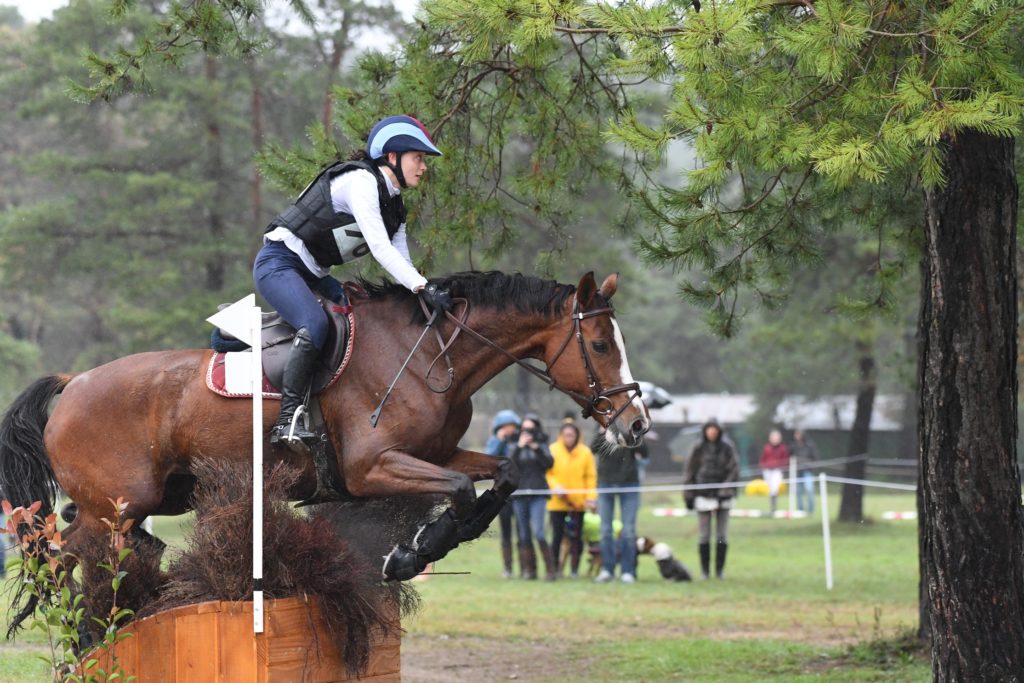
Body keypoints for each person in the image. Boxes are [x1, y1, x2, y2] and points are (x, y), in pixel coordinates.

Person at [253, 115, 450, 451]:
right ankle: (287, 422)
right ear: (392, 157)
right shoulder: (361, 182)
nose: (423, 167)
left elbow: (400, 264)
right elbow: (380, 249)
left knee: (359, 316)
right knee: (314, 324)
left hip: (314, 274)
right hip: (279, 263)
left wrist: (421, 291)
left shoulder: (395, 207)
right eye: (418, 158)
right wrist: (422, 286)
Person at [683, 420, 740, 580]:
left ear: (719, 431)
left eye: (715, 430)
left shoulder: (728, 448)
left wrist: (724, 491)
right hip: (703, 495)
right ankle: (705, 572)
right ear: (706, 431)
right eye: (710, 430)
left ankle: (719, 571)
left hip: (724, 498)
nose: (712, 433)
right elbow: (690, 471)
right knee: (704, 536)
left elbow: (734, 470)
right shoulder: (698, 448)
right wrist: (689, 495)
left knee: (722, 535)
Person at [591, 427, 648, 584]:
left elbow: (644, 452)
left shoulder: (628, 428)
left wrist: (634, 434)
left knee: (628, 531)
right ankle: (607, 570)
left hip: (629, 483)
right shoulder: (603, 430)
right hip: (606, 483)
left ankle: (627, 571)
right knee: (605, 530)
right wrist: (602, 432)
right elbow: (593, 449)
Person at [546, 423, 596, 579]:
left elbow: (590, 477)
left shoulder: (585, 452)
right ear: (561, 435)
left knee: (576, 537)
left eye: (572, 435)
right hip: (557, 502)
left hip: (578, 504)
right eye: (566, 435)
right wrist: (555, 487)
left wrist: (591, 498)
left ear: (577, 436)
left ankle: (574, 569)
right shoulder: (552, 450)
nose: (569, 438)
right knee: (557, 536)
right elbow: (548, 473)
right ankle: (554, 568)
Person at [509, 413, 555, 580]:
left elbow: (549, 464)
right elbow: (509, 466)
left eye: (531, 429)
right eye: (524, 428)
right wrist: (520, 446)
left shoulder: (542, 444)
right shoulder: (514, 443)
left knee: (539, 532)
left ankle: (550, 570)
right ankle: (530, 570)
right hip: (520, 493)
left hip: (538, 492)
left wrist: (536, 447)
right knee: (523, 534)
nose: (527, 432)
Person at [485, 410, 521, 578]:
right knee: (506, 532)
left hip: (520, 492)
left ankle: (524, 567)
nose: (511, 430)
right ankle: (508, 568)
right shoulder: (495, 442)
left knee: (522, 531)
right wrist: (499, 440)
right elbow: (488, 460)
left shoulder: (518, 442)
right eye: (508, 426)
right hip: (504, 493)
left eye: (513, 426)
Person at [759, 429, 790, 515]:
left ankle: (773, 507)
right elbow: (762, 459)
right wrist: (763, 467)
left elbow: (785, 460)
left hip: (777, 471)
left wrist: (782, 467)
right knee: (770, 489)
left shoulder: (783, 448)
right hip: (767, 471)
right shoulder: (767, 447)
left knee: (774, 488)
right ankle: (772, 506)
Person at [791, 429, 819, 513]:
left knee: (809, 490)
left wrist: (810, 465)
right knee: (798, 492)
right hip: (798, 472)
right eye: (796, 434)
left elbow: (815, 457)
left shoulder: (809, 445)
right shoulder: (794, 446)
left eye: (798, 434)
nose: (796, 436)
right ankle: (800, 510)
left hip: (807, 471)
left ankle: (811, 510)